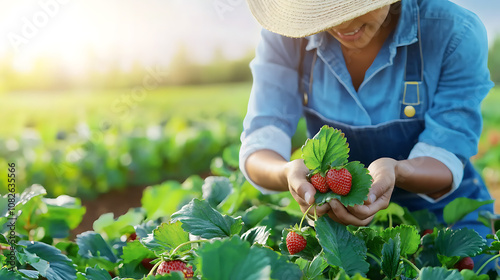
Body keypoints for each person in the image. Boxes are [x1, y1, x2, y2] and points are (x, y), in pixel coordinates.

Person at [240, 0, 495, 270]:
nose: (342, 23)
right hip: (336, 217)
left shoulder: (454, 31)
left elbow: (447, 150)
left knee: (474, 269)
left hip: (443, 210)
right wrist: (287, 173)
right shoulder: (289, 32)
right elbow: (262, 139)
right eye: (322, 9)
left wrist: (397, 171)